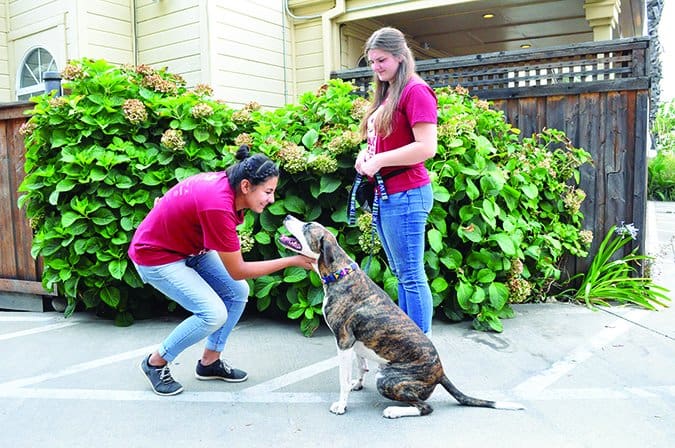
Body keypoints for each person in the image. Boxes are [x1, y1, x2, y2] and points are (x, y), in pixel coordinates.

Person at [129, 145, 314, 396]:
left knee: (237, 292)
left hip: (190, 249)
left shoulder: (228, 190)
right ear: (246, 186)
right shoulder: (218, 205)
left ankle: (210, 362)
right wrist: (292, 261)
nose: (271, 199)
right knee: (212, 314)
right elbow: (238, 269)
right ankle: (155, 362)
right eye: (268, 191)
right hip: (156, 256)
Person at [354, 27, 438, 336]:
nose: (376, 68)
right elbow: (383, 140)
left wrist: (378, 162)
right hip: (389, 194)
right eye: (372, 61)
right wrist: (366, 155)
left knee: (411, 276)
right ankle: (412, 346)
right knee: (403, 275)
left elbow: (427, 147)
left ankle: (420, 352)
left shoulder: (415, 91)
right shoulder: (389, 90)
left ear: (401, 58)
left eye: (382, 61)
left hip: (407, 194)